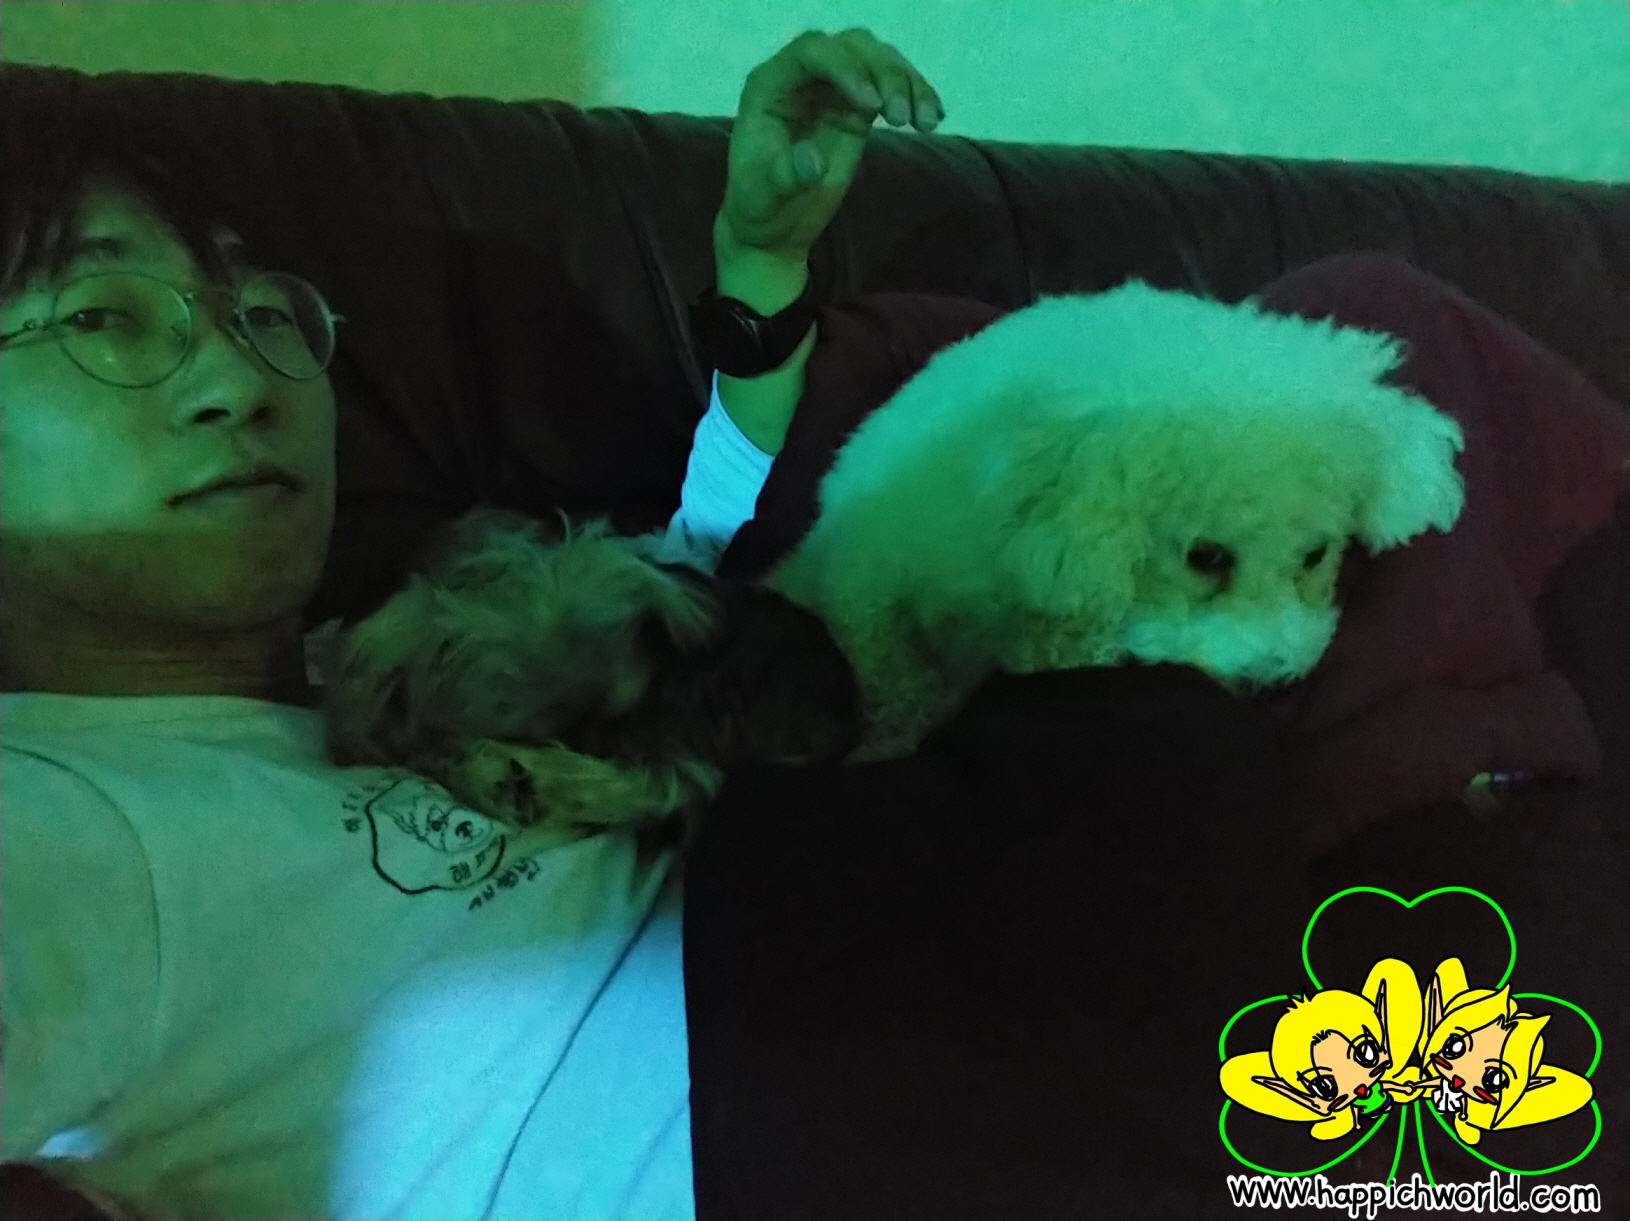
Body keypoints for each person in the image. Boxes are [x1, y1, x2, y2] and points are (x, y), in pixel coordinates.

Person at [0, 30, 943, 1221]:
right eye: (100, 317)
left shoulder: (415, 648)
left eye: (259, 313)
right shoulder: (52, 828)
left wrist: (759, 266)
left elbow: (696, 573)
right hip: (859, 1126)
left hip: (934, 933)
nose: (238, 382)